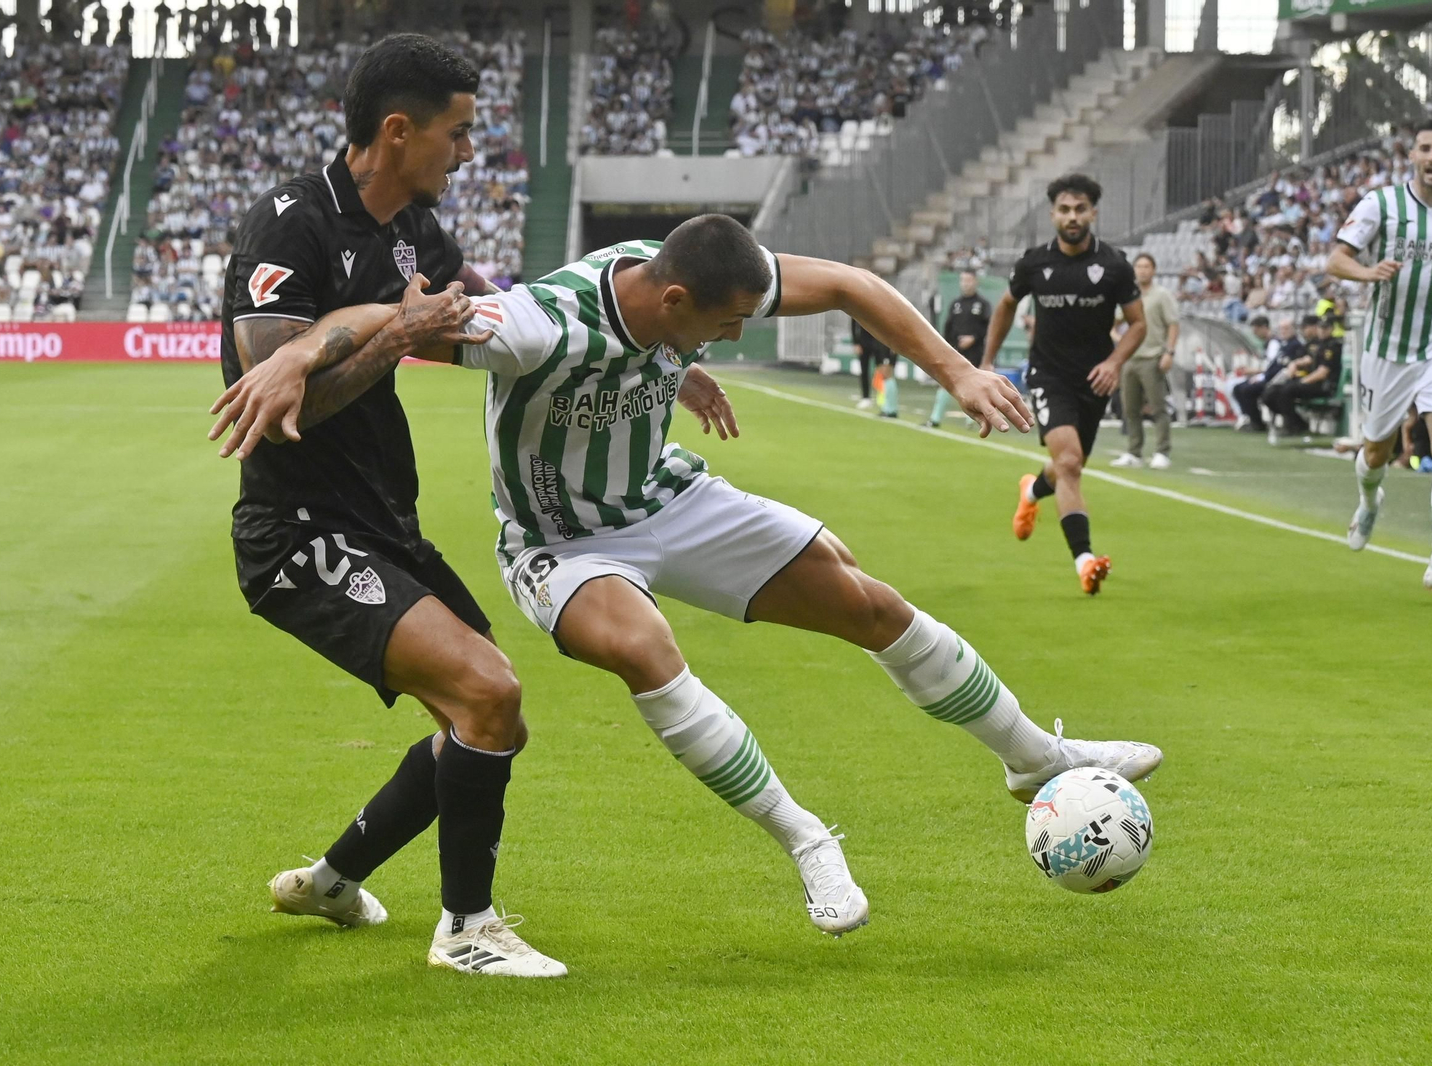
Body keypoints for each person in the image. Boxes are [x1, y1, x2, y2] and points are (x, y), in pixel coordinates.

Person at [214, 215, 1165, 938]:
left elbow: (847, 284)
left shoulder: (682, 274)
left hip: (667, 499)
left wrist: (956, 373)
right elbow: (397, 319)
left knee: (865, 601)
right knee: (645, 649)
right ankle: (808, 840)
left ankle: (1035, 758)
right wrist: (298, 350)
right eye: (722, 328)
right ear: (675, 302)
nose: (730, 339)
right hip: (562, 543)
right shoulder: (542, 324)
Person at [206, 34, 565, 977]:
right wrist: (398, 329)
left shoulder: (414, 230)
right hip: (297, 533)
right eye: (457, 132)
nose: (467, 151)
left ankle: (331, 880)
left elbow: (496, 308)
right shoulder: (292, 224)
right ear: (397, 130)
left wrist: (629, 355)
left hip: (382, 525)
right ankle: (468, 930)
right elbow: (282, 405)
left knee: (488, 720)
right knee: (488, 696)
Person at [981, 174, 1147, 595]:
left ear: (1093, 212)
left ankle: (1032, 491)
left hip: (1095, 380)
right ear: (1053, 213)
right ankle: (1085, 563)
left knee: (1067, 466)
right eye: (1064, 209)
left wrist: (1114, 361)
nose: (1072, 217)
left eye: (1080, 209)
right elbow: (1005, 306)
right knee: (1070, 463)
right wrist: (984, 364)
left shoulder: (1114, 265)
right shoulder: (1034, 263)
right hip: (1048, 375)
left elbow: (1138, 324)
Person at [1328, 118, 1432, 590]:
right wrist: (1369, 272)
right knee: (1377, 451)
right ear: (1411, 155)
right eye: (1426, 149)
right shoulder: (1383, 204)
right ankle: (1370, 503)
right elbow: (1336, 259)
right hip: (1387, 350)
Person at [1110, 253, 1179, 469]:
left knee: (1158, 407)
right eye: (1139, 266)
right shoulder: (1130, 295)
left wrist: (1169, 352)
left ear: (1154, 269)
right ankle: (1134, 452)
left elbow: (1173, 324)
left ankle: (1162, 451)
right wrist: (1119, 340)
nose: (1142, 270)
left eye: (1147, 266)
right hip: (1130, 358)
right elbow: (1114, 322)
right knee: (1129, 409)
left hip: (1152, 357)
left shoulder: (1162, 295)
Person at [1260, 314, 1339, 444]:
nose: (1322, 331)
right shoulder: (1316, 344)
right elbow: (1308, 359)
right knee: (1271, 392)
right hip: (1309, 381)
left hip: (1323, 385)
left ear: (1331, 329)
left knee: (1287, 390)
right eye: (1321, 328)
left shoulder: (1332, 346)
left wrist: (1302, 381)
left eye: (1326, 328)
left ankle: (1292, 425)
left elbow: (1322, 373)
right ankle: (1297, 422)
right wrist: (1296, 364)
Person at [929, 269, 990, 427]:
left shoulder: (982, 304)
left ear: (975, 281)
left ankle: (972, 421)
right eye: (963, 280)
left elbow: (989, 328)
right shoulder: (956, 304)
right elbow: (948, 328)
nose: (965, 283)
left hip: (976, 351)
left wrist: (974, 338)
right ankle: (935, 418)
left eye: (968, 280)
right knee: (945, 382)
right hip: (956, 351)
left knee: (974, 385)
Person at [1232, 316, 1298, 432]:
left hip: (1278, 380)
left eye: (1286, 329)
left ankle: (1260, 423)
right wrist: (1260, 376)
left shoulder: (1292, 345)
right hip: (1270, 377)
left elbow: (1280, 367)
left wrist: (1263, 377)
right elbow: (1271, 366)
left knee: (1249, 390)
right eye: (1281, 329)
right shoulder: (1282, 344)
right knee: (1239, 388)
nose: (1283, 332)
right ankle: (1254, 420)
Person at [852, 317, 894, 413]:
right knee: (864, 370)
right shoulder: (858, 304)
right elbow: (854, 322)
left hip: (878, 341)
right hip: (863, 341)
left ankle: (882, 398)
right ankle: (865, 397)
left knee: (881, 371)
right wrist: (856, 342)